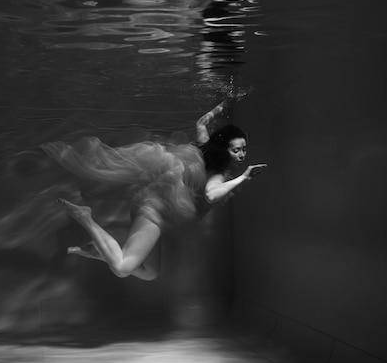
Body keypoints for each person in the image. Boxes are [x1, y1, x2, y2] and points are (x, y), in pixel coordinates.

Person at [42, 98, 267, 281]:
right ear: (223, 149)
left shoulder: (205, 148)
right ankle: (85, 217)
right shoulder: (217, 174)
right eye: (236, 150)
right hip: (156, 213)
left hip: (163, 211)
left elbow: (201, 124)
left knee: (150, 273)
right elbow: (210, 193)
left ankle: (98, 251)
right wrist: (244, 177)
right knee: (122, 268)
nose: (242, 155)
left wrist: (220, 107)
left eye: (244, 149)